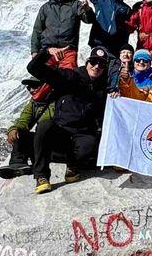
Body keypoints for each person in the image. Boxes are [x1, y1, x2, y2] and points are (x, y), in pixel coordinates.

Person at [27, 46, 109, 194]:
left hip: (83, 133)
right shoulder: (70, 77)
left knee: (89, 147)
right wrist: (47, 52)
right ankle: (41, 176)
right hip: (62, 130)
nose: (97, 66)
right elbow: (34, 68)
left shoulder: (103, 88)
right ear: (87, 62)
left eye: (101, 64)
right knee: (44, 126)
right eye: (93, 62)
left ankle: (72, 164)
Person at [76, 0, 133, 77]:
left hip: (115, 49)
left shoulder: (126, 9)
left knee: (112, 76)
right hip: (98, 43)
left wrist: (123, 49)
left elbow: (127, 31)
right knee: (96, 73)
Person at [0, 79, 53, 178]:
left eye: (34, 86)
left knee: (45, 126)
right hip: (42, 146)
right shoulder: (34, 103)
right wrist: (14, 129)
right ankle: (17, 164)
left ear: (46, 85)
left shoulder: (60, 99)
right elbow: (23, 120)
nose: (31, 90)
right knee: (21, 132)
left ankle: (36, 167)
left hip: (60, 144)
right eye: (29, 88)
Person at [30, 0, 84, 65]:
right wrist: (34, 51)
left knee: (68, 74)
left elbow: (89, 19)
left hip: (68, 51)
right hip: (48, 51)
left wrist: (87, 10)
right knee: (45, 74)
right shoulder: (45, 8)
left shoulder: (76, 5)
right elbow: (37, 30)